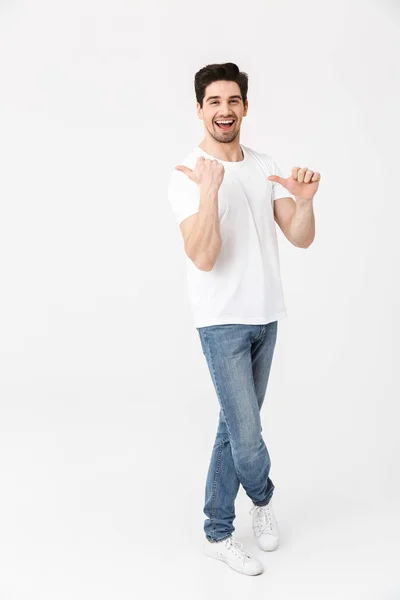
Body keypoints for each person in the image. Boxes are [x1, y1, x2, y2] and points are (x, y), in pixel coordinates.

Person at [167, 62, 320, 576]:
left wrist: (303, 202)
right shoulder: (187, 174)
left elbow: (300, 236)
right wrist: (210, 190)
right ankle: (261, 498)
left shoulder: (263, 164)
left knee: (231, 429)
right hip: (222, 321)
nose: (224, 110)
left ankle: (216, 530)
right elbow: (204, 256)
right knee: (247, 435)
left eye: (233, 101)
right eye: (214, 102)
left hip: (266, 315)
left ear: (245, 107)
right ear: (199, 110)